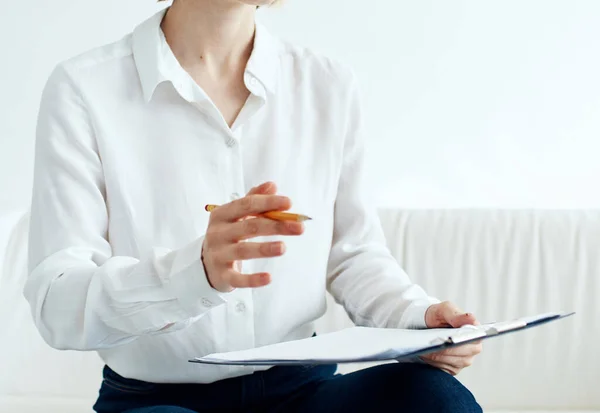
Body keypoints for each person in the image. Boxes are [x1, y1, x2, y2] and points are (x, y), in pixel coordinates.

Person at [24, 0, 483, 412]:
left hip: (302, 392)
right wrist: (192, 274)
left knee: (435, 399)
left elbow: (353, 256)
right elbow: (58, 304)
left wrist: (418, 319)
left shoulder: (327, 83)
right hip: (157, 399)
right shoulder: (84, 87)